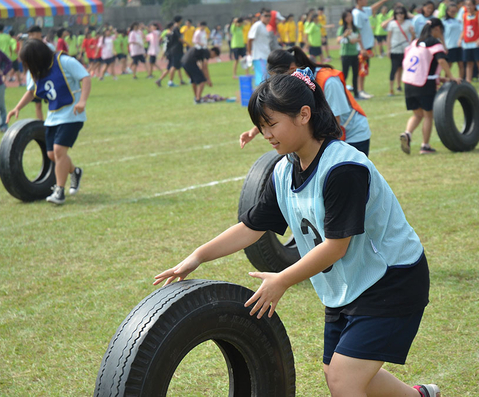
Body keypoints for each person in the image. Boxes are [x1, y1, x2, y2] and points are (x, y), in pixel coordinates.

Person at [155, 67, 440, 397]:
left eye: (272, 124)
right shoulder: (283, 171)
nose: (266, 134)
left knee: (345, 380)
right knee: (337, 373)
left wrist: (283, 279)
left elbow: (336, 247)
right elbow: (251, 227)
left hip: (391, 279)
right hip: (347, 285)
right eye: (261, 127)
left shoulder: (343, 167)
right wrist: (197, 256)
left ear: (304, 114)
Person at [241, 46, 372, 156]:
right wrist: (254, 131)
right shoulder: (294, 86)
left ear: (292, 69)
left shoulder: (329, 81)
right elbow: (279, 112)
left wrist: (328, 154)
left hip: (352, 134)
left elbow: (335, 122)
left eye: (279, 78)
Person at [7, 39, 90, 205]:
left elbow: (85, 77)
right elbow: (31, 92)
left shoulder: (64, 61)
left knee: (59, 151)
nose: (28, 65)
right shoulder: (36, 71)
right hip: (53, 117)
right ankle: (75, 172)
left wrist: (82, 101)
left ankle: (59, 191)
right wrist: (17, 108)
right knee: (52, 155)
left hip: (72, 115)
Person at [399, 18, 461, 155]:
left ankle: (407, 133)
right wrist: (451, 76)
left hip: (409, 83)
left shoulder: (415, 42)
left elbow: (422, 65)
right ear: (437, 29)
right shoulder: (434, 42)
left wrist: (439, 78)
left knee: (417, 114)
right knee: (428, 115)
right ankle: (425, 146)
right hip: (424, 84)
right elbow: (441, 60)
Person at [353, 0, 390, 99]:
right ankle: (359, 90)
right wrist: (362, 48)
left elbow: (373, 8)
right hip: (362, 47)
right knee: (360, 68)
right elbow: (357, 32)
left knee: (364, 68)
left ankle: (362, 89)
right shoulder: (356, 14)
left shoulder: (363, 10)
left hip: (366, 46)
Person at [386, 6, 415, 95]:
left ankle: (401, 86)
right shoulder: (392, 24)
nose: (400, 15)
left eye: (401, 13)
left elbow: (413, 34)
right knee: (394, 69)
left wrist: (410, 44)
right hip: (395, 49)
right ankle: (391, 89)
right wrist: (388, 49)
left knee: (403, 68)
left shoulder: (408, 23)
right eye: (397, 13)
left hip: (405, 49)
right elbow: (389, 37)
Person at [459, 0, 479, 89]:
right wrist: (460, 39)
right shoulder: (464, 15)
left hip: (476, 42)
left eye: (470, 5)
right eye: (467, 5)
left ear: (474, 5)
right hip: (467, 43)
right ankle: (468, 81)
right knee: (469, 63)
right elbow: (463, 29)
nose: (468, 7)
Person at [338, 10, 362, 96]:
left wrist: (361, 48)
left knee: (355, 74)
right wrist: (345, 35)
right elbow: (338, 40)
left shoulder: (355, 28)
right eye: (347, 16)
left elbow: (359, 39)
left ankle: (356, 93)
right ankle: (342, 93)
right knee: (345, 74)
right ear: (344, 18)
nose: (349, 18)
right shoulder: (342, 29)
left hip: (355, 54)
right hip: (346, 55)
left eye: (350, 16)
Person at [156, 16, 186, 88]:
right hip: (175, 51)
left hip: (170, 51)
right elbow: (178, 40)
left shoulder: (169, 33)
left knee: (171, 68)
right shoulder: (173, 32)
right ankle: (170, 82)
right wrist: (188, 44)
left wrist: (164, 53)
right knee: (174, 66)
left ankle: (159, 80)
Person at [248, 10, 272, 85]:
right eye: (266, 15)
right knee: (263, 80)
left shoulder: (264, 27)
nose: (268, 18)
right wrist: (249, 54)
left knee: (266, 80)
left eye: (269, 16)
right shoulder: (257, 25)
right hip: (259, 57)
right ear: (261, 16)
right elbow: (250, 39)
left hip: (266, 56)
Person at [442, 3, 465, 80]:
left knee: (461, 64)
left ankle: (461, 80)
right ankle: (446, 80)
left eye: (455, 11)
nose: (453, 13)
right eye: (451, 11)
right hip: (449, 45)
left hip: (459, 45)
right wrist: (444, 45)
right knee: (449, 65)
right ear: (447, 11)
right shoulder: (444, 22)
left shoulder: (458, 20)